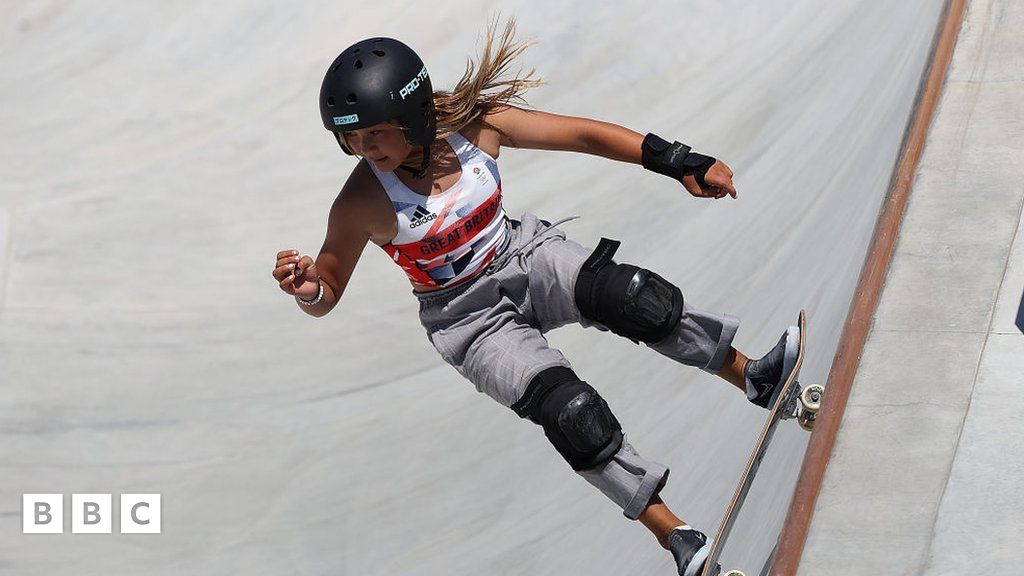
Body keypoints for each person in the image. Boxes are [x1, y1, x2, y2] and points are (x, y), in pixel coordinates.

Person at [272, 20, 799, 576]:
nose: (362, 148)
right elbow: (327, 288)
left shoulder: (477, 128)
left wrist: (679, 161)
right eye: (350, 138)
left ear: (415, 115)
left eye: (373, 133)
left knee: (635, 297)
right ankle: (676, 536)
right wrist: (308, 288)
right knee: (571, 413)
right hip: (468, 320)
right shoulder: (359, 202)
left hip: (527, 256)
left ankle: (754, 377)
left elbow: (583, 136)